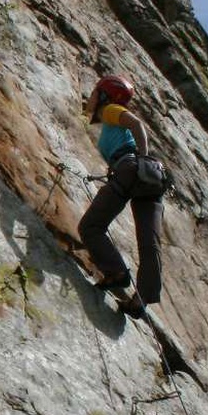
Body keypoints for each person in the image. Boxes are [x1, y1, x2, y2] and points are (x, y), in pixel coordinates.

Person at [77, 73, 168, 317]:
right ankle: (141, 300)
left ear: (104, 96)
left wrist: (141, 158)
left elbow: (136, 124)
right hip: (151, 178)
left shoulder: (109, 110)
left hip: (131, 169)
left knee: (90, 226)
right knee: (149, 242)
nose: (90, 97)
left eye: (94, 92)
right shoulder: (109, 125)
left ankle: (116, 272)